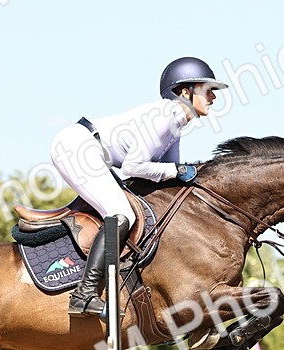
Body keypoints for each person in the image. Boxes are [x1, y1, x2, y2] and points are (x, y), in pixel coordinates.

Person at [51, 57, 228, 317]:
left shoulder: (176, 125)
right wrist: (176, 171)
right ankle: (84, 295)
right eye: (208, 89)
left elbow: (171, 174)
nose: (213, 96)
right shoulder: (163, 118)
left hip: (93, 151)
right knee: (122, 214)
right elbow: (133, 168)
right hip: (76, 148)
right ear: (185, 91)